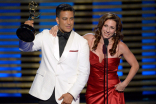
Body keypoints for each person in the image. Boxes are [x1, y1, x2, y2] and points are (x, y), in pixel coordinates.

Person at [50, 12, 139, 104]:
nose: (108, 30)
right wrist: (58, 28)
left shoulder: (120, 46)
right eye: (106, 26)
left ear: (116, 31)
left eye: (112, 28)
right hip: (92, 91)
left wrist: (124, 84)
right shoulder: (90, 39)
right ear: (101, 26)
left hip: (112, 90)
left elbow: (135, 65)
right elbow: (70, 41)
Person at [19, 4, 90, 104]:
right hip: (45, 93)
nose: (69, 22)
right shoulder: (46, 35)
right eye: (65, 19)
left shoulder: (81, 42)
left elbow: (84, 73)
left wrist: (72, 94)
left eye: (71, 19)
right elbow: (25, 48)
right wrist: (25, 33)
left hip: (67, 94)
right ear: (57, 20)